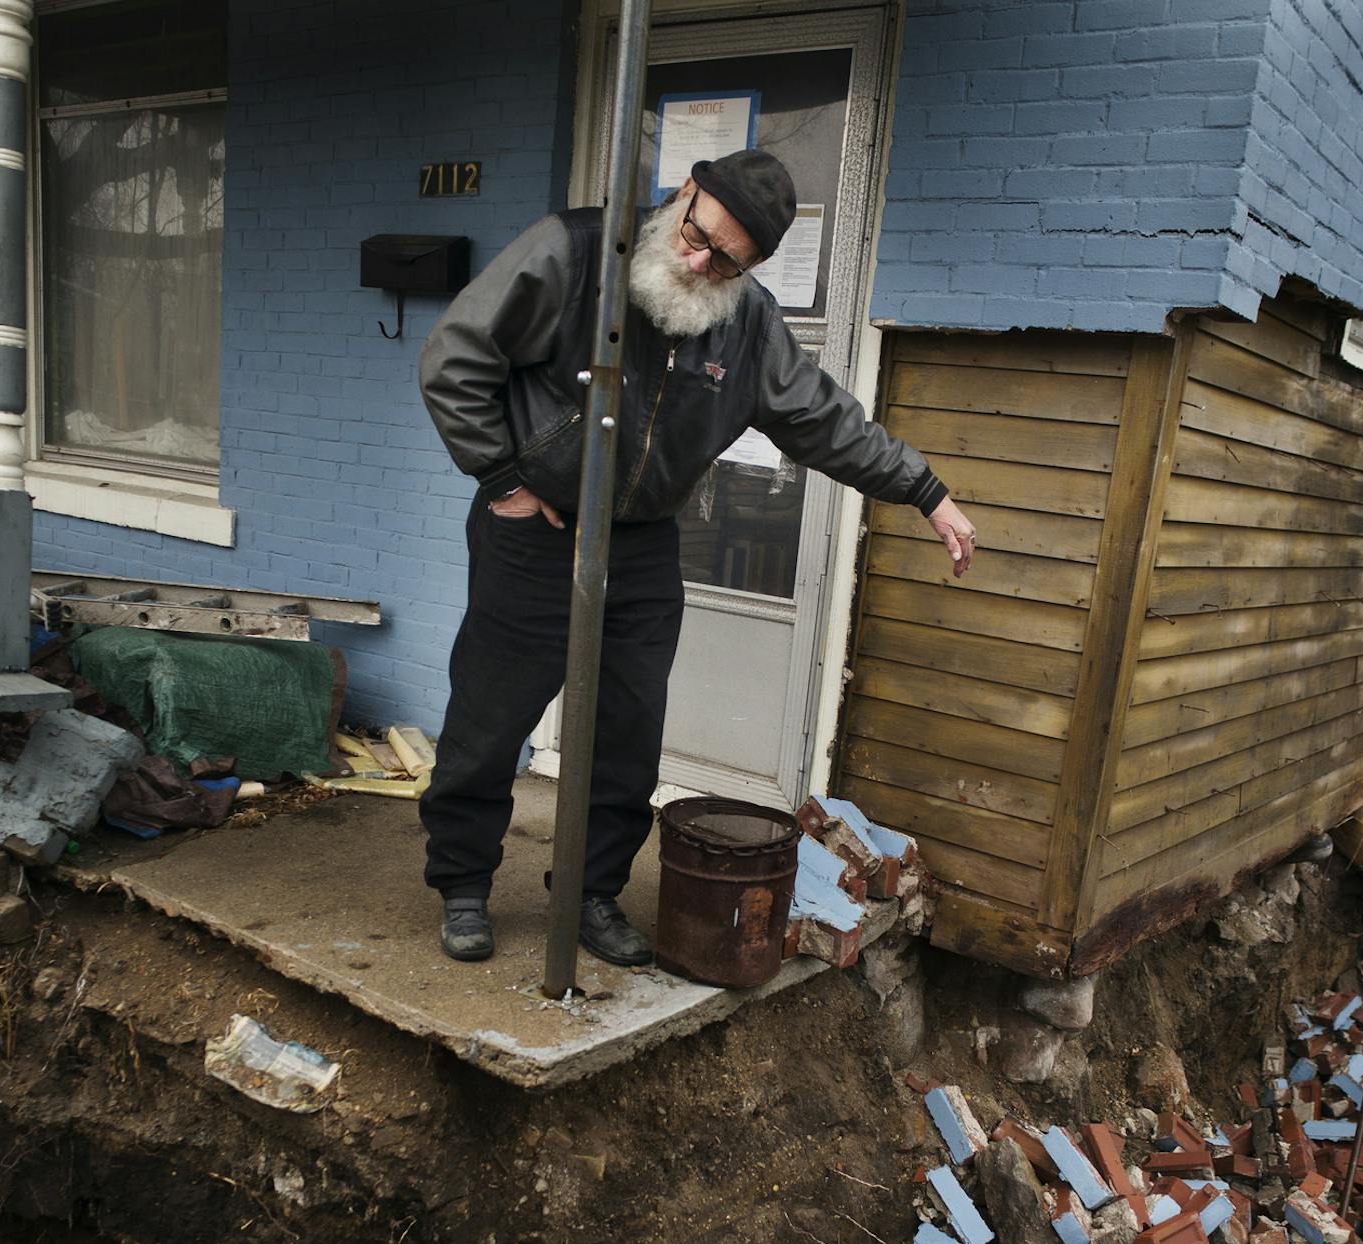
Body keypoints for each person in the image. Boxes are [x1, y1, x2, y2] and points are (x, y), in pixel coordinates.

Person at [417, 148, 974, 967]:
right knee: (492, 713)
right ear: (686, 193)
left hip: (643, 542)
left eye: (725, 261)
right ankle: (463, 883)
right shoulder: (573, 254)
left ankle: (590, 893)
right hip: (536, 527)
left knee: (629, 730)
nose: (697, 260)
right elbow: (455, 358)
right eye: (696, 235)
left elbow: (823, 420)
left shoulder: (745, 324)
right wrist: (501, 481)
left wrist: (925, 490)